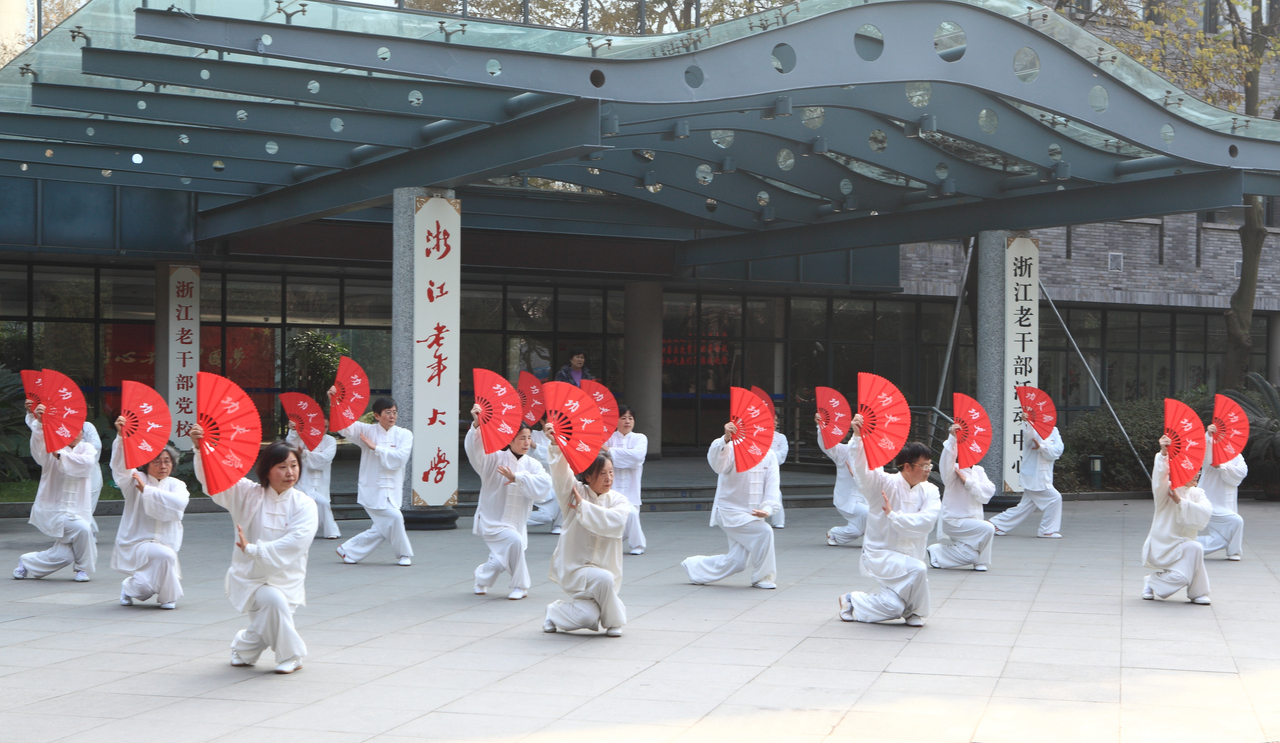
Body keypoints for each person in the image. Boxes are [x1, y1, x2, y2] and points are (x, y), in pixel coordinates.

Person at [191, 428, 318, 673]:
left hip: (287, 576)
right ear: (267, 470)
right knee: (274, 603)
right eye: (281, 466)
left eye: (293, 465)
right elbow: (215, 479)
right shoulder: (247, 493)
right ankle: (292, 655)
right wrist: (200, 448)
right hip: (249, 574)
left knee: (271, 614)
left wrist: (254, 549)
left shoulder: (305, 504)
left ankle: (244, 648)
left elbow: (297, 541)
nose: (289, 472)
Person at [838, 414, 941, 627]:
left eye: (930, 466)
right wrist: (858, 438)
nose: (927, 471)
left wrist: (894, 516)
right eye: (923, 466)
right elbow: (862, 471)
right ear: (907, 466)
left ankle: (852, 600)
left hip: (911, 555)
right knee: (919, 569)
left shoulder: (931, 490)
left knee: (893, 607)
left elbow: (927, 522)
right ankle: (916, 611)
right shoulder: (883, 484)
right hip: (882, 554)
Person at [543, 427, 632, 636]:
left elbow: (615, 522)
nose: (609, 478)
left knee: (588, 616)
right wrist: (556, 444)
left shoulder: (618, 499)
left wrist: (584, 507)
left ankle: (553, 612)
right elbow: (560, 474)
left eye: (611, 472)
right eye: (602, 473)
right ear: (589, 477)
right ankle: (614, 621)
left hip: (604, 568)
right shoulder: (573, 494)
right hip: (575, 568)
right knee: (604, 580)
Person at [681, 421, 782, 589]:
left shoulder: (770, 455)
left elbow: (772, 487)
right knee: (765, 532)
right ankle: (763, 577)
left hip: (753, 515)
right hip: (729, 511)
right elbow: (717, 466)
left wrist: (768, 509)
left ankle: (695, 568)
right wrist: (726, 440)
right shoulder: (733, 448)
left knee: (737, 561)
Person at [466, 408, 553, 600]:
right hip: (493, 519)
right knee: (514, 541)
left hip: (517, 521)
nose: (526, 442)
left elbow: (544, 485)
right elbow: (476, 452)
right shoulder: (494, 459)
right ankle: (520, 586)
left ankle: (480, 577)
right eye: (522, 438)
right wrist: (477, 424)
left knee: (499, 561)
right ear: (510, 440)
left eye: (529, 438)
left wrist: (517, 478)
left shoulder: (533, 464)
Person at [14, 403, 99, 582]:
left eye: (78, 431)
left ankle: (27, 562)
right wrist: (38, 423)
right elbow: (38, 449)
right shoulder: (50, 449)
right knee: (84, 530)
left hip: (78, 510)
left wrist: (61, 455)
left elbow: (86, 464)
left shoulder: (87, 449)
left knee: (64, 555)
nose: (76, 434)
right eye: (71, 430)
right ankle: (83, 569)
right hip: (54, 510)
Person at [110, 422, 189, 609]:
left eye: (167, 461)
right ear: (147, 464)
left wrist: (147, 491)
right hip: (138, 541)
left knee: (145, 587)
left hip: (166, 540)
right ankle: (169, 598)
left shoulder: (177, 484)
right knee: (167, 556)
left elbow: (180, 503)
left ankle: (129, 587)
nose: (163, 465)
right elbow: (120, 467)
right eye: (157, 461)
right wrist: (121, 438)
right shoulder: (135, 479)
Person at [331, 396, 414, 566]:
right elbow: (344, 426)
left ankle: (348, 550)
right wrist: (335, 401)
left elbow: (400, 459)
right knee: (395, 518)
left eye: (394, 412)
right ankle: (404, 554)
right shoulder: (366, 431)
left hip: (393, 489)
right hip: (372, 488)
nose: (392, 416)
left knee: (384, 526)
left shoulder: (404, 434)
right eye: (387, 412)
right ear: (377, 415)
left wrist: (376, 448)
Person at [1142, 435, 1213, 604]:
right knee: (1187, 562)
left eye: (1199, 470)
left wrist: (1181, 502)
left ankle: (1196, 592)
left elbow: (1206, 512)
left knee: (1195, 548)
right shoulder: (1166, 491)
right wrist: (1164, 453)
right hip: (1165, 544)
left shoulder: (1198, 493)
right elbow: (1159, 477)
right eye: (1192, 470)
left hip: (1185, 544)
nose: (1197, 474)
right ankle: (1152, 581)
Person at [926, 424, 996, 572]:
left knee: (970, 555)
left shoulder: (979, 470)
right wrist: (952, 438)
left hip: (972, 522)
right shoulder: (953, 471)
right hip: (954, 521)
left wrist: (968, 483)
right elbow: (946, 462)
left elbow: (990, 490)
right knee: (988, 528)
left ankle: (938, 552)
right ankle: (981, 562)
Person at [990, 420, 1064, 539]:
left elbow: (1058, 450)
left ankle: (996, 525)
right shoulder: (1031, 429)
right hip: (1034, 476)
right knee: (1055, 498)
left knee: (1025, 506)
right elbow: (1030, 436)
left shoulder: (1053, 430)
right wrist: (1027, 421)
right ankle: (1047, 530)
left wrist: (1042, 447)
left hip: (1044, 476)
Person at [816, 413, 868, 547]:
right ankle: (877, 542)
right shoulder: (845, 451)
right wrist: (821, 426)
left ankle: (835, 534)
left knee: (856, 530)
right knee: (872, 515)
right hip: (848, 500)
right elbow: (828, 446)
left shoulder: (875, 456)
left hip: (868, 500)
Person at [1197, 424, 1246, 561]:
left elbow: (1242, 472)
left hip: (1226, 503)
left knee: (1223, 538)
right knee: (1236, 521)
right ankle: (1234, 550)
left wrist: (1222, 466)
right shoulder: (1210, 450)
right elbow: (1205, 458)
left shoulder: (1236, 455)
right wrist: (1208, 435)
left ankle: (1188, 546)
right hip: (1208, 501)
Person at [603, 405, 648, 555]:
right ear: (615, 420)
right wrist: (618, 455)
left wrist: (609, 451)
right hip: (612, 487)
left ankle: (638, 545)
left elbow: (637, 458)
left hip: (631, 488)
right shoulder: (607, 438)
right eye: (623, 418)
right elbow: (600, 459)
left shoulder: (640, 438)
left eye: (630, 418)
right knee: (618, 519)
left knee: (632, 515)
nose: (627, 421)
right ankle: (637, 544)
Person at [285, 424, 341, 540]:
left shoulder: (330, 440)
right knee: (298, 506)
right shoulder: (303, 437)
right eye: (321, 425)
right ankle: (294, 530)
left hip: (320, 483)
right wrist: (293, 430)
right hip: (302, 481)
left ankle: (330, 531)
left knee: (324, 503)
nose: (322, 428)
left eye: (325, 426)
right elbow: (290, 446)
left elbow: (325, 458)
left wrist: (305, 454)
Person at [526, 421, 565, 535]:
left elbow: (556, 458)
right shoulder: (532, 435)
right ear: (542, 421)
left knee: (567, 495)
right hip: (537, 480)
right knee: (545, 516)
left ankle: (559, 524)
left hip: (557, 479)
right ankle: (510, 519)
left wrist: (536, 447)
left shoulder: (562, 438)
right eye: (550, 420)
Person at [768, 412, 789, 530]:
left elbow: (782, 455)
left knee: (776, 493)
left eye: (776, 420)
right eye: (772, 420)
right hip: (756, 470)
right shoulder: (755, 436)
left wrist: (767, 454)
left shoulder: (781, 437)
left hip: (773, 470)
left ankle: (778, 520)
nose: (775, 423)